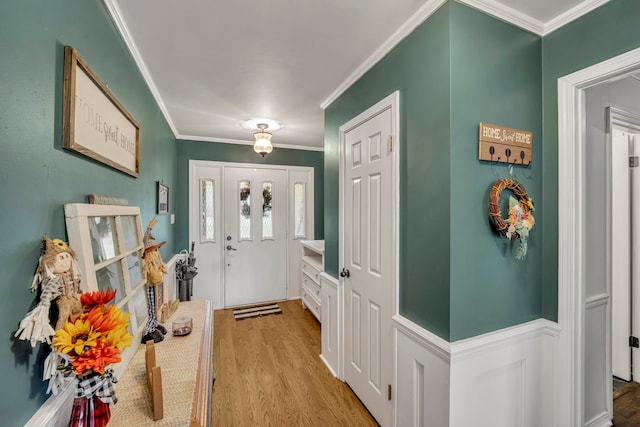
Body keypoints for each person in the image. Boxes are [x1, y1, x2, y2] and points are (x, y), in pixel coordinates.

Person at [141, 219, 168, 343]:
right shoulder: (148, 261)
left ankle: (154, 324)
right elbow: (152, 274)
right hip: (151, 283)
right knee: (152, 306)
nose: (156, 252)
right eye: (154, 249)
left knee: (155, 305)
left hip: (155, 284)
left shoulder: (155, 258)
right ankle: (149, 330)